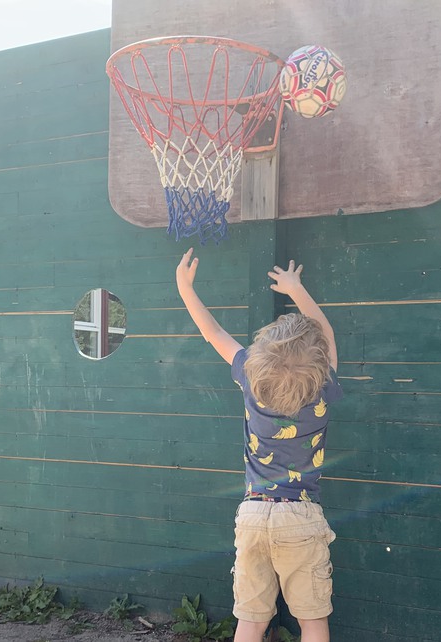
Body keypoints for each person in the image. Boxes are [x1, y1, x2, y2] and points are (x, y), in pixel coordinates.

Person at [175, 248, 343, 642]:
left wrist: (185, 290)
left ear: (257, 362)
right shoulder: (322, 388)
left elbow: (212, 332)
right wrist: (295, 288)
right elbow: (326, 333)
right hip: (300, 516)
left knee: (251, 620)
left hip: (252, 516)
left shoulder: (250, 380)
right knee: (313, 620)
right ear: (318, 366)